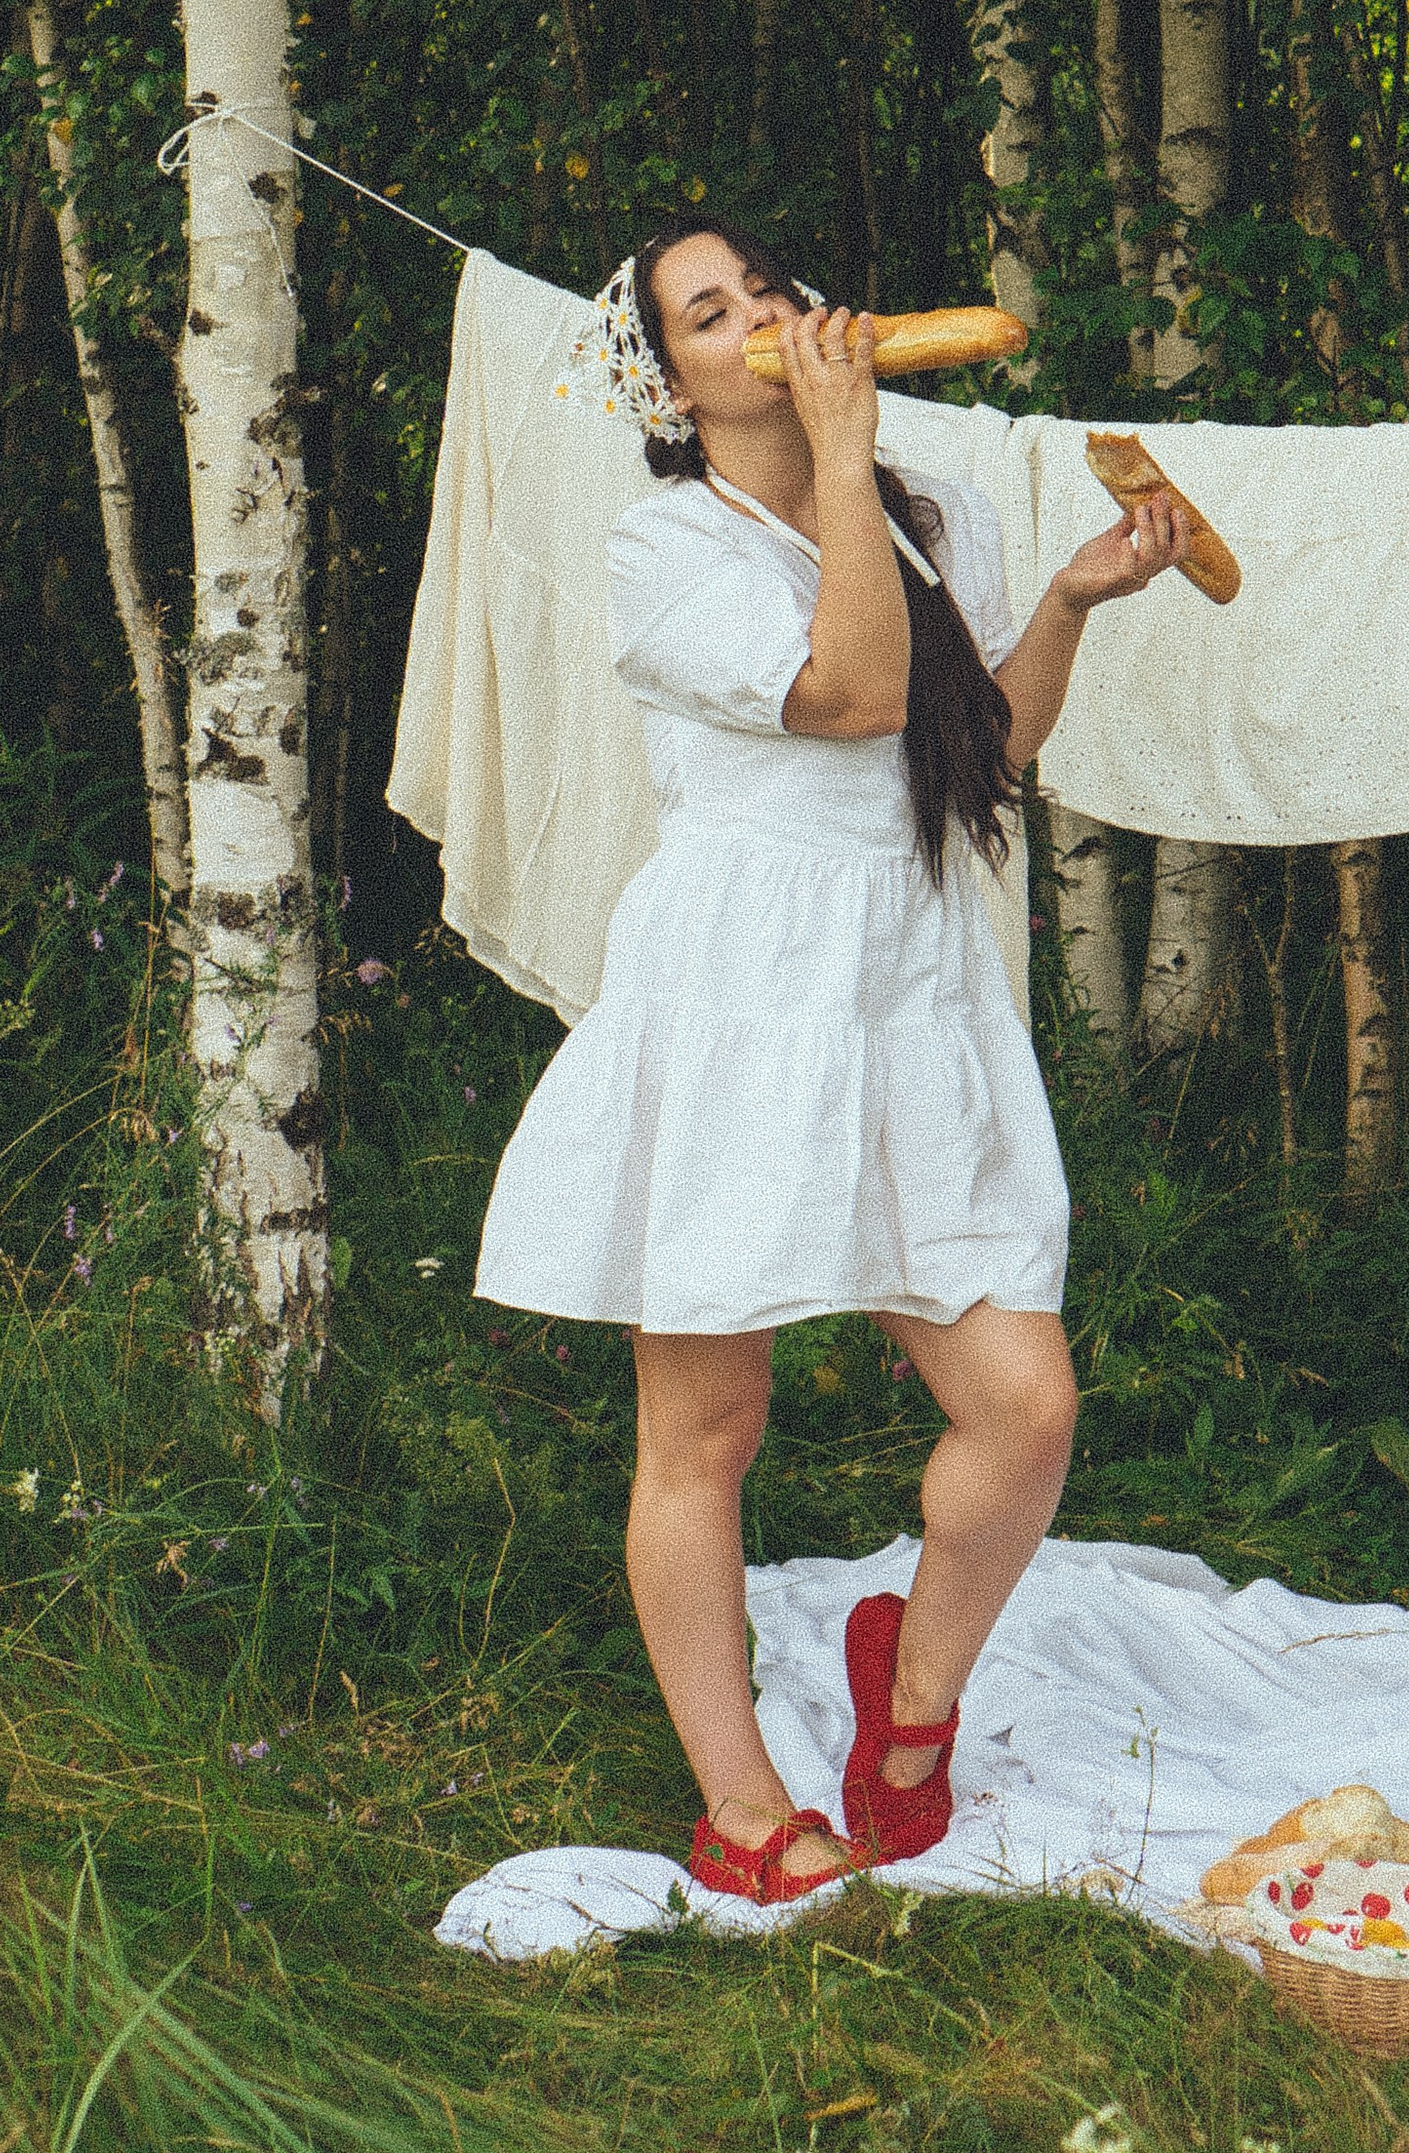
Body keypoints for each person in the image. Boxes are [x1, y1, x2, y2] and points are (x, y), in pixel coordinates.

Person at [474, 217, 1191, 1901]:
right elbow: (858, 693)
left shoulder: (935, 519)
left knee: (1025, 1407)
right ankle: (740, 1807)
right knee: (707, 1425)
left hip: (907, 985)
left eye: (768, 289)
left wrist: (1069, 600)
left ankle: (910, 1698)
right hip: (740, 1000)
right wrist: (848, 455)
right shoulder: (666, 552)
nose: (764, 321)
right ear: (673, 386)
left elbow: (978, 750)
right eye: (709, 314)